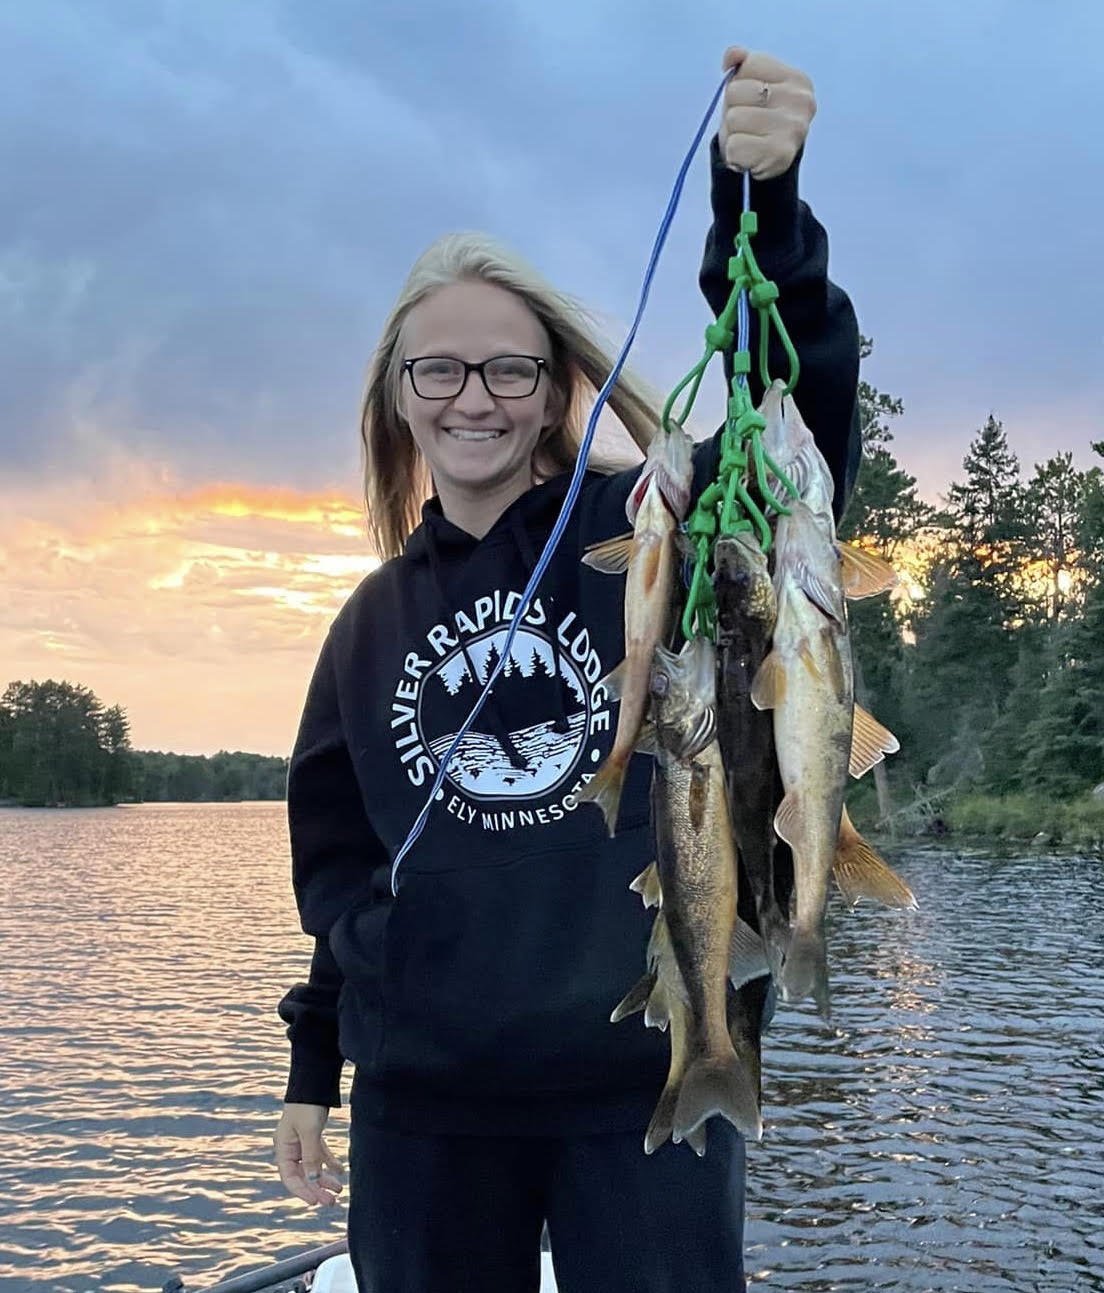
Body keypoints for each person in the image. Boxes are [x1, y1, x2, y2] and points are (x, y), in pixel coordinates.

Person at [274, 44, 859, 1293]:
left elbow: (785, 419)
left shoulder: (656, 530)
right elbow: (343, 858)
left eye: (508, 368)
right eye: (439, 367)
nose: (471, 395)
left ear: (555, 396)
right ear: (399, 394)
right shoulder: (371, 621)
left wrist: (762, 204)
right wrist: (320, 1058)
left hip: (644, 1080)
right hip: (425, 1113)